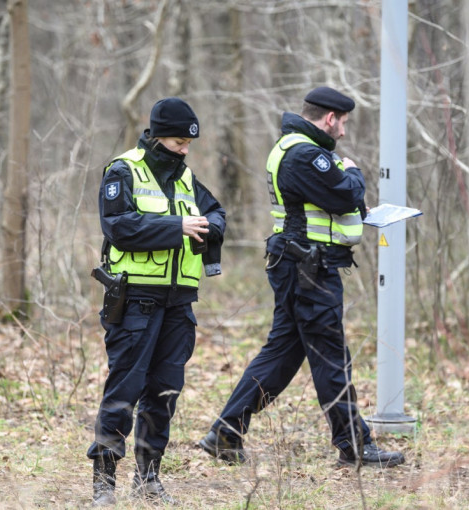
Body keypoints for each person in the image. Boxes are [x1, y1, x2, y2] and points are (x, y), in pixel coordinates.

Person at [198, 86, 405, 469]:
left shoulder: (302, 150)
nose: (343, 132)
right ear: (330, 118)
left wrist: (350, 191)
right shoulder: (304, 154)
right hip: (309, 269)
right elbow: (345, 195)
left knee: (282, 353)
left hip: (302, 265)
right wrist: (354, 172)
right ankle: (355, 446)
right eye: (342, 124)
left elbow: (333, 201)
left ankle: (226, 432)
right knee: (330, 356)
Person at [88, 97, 226, 506]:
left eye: (189, 144)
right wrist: (177, 226)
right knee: (123, 391)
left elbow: (216, 211)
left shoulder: (186, 179)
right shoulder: (123, 170)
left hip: (178, 304)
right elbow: (118, 226)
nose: (185, 150)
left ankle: (148, 478)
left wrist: (208, 225)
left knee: (165, 393)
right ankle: (104, 482)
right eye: (179, 142)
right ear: (158, 135)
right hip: (135, 302)